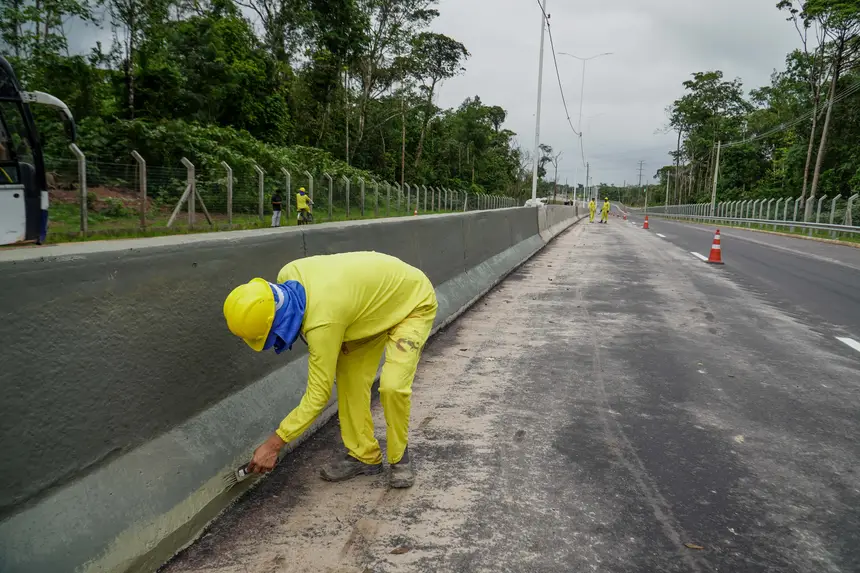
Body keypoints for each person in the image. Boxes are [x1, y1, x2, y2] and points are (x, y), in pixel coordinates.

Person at [223, 251, 438, 488]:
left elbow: (318, 396)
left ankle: (400, 459)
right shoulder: (288, 274)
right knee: (350, 381)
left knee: (392, 386)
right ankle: (364, 456)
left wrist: (274, 444)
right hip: (367, 310)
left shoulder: (323, 322)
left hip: (412, 303)